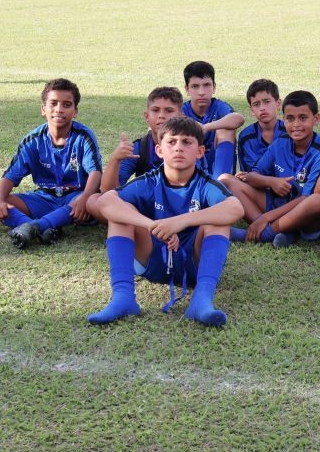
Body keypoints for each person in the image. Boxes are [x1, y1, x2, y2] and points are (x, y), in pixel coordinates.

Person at [87, 116, 243, 327]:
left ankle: (201, 300)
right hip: (152, 259)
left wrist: (179, 222)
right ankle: (123, 298)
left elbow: (236, 208)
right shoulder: (151, 181)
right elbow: (106, 201)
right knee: (121, 215)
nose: (178, 148)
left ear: (200, 152)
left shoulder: (206, 184)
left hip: (193, 265)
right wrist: (152, 225)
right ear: (160, 151)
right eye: (172, 142)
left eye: (187, 142)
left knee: (218, 219)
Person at [0, 78, 102, 248]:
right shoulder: (33, 140)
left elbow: (96, 173)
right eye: (53, 103)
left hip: (75, 200)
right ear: (43, 109)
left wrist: (84, 197)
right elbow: (10, 176)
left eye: (66, 104)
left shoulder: (83, 136)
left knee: (95, 199)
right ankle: (43, 228)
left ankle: (36, 226)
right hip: (44, 199)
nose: (59, 109)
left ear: (75, 111)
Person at [218, 91, 320, 248]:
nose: (296, 125)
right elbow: (252, 175)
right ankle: (283, 232)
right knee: (225, 179)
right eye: (290, 119)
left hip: (304, 211)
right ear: (283, 119)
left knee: (318, 201)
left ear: (316, 119)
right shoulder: (281, 142)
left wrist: (265, 217)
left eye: (303, 118)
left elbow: (307, 198)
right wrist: (271, 181)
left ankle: (264, 233)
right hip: (277, 202)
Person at [88, 86, 184, 220]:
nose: (161, 115)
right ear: (146, 116)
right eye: (155, 110)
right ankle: (142, 226)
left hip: (180, 207)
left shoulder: (189, 145)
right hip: (145, 210)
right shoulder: (139, 148)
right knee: (94, 200)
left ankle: (136, 226)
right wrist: (115, 159)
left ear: (181, 116)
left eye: (169, 110)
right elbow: (108, 191)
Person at [181, 61, 244, 178]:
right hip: (189, 176)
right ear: (187, 89)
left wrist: (206, 127)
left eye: (206, 85)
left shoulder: (219, 107)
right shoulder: (182, 110)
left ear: (214, 87)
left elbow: (238, 119)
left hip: (218, 173)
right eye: (195, 86)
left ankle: (219, 183)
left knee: (226, 129)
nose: (201, 92)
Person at [236, 78, 287, 173]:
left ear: (278, 104)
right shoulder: (246, 137)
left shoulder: (289, 132)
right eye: (256, 104)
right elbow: (247, 173)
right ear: (251, 110)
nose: (262, 108)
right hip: (255, 185)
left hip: (285, 185)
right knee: (227, 179)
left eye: (267, 102)